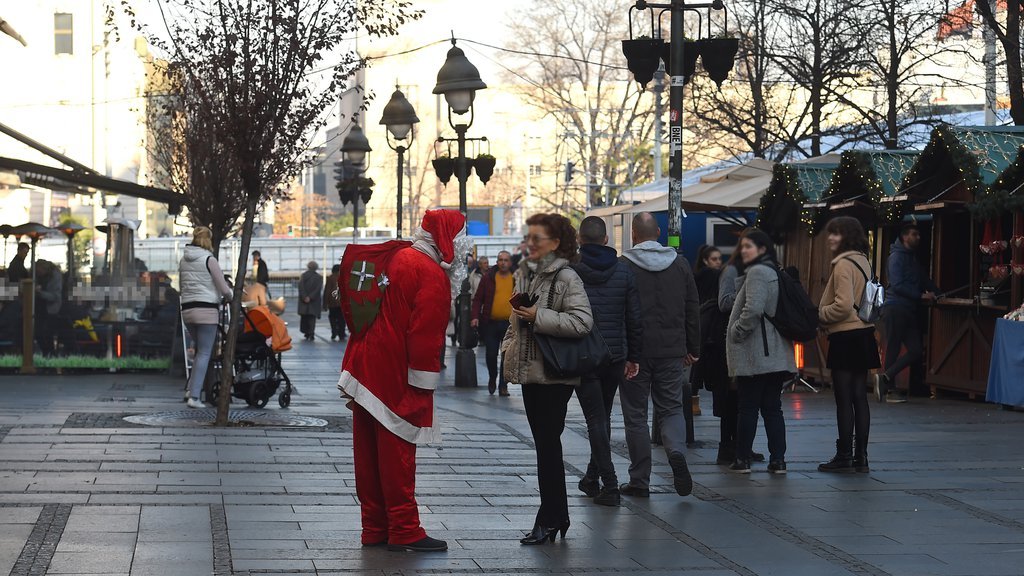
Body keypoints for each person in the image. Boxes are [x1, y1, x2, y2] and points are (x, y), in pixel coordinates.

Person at [337, 208, 469, 552]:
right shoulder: (430, 272)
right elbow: (424, 335)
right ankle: (405, 528)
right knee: (397, 452)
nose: (464, 246)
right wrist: (423, 386)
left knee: (367, 451)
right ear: (445, 239)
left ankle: (374, 527)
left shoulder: (398, 257)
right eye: (460, 237)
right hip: (393, 372)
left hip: (364, 363)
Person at [501, 213, 593, 544]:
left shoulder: (567, 276)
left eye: (536, 239)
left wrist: (540, 316)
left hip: (554, 372)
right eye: (529, 238)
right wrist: (509, 346)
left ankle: (550, 517)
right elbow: (516, 321)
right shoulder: (528, 273)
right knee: (545, 446)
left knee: (548, 446)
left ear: (555, 243)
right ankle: (557, 515)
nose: (530, 243)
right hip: (530, 372)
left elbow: (583, 322)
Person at [618, 212, 699, 498]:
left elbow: (619, 311)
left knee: (636, 415)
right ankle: (675, 449)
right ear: (660, 232)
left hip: (635, 353)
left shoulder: (624, 265)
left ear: (633, 234)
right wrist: (693, 348)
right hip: (671, 349)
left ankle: (639, 480)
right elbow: (692, 307)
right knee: (671, 408)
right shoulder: (680, 264)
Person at [571, 216, 642, 507]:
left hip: (583, 354)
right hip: (614, 356)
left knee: (595, 418)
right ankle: (591, 477)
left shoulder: (572, 271)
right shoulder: (624, 272)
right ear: (606, 240)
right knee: (602, 417)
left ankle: (609, 484)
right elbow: (634, 319)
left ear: (579, 239)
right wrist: (633, 356)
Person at [725, 228, 796, 474]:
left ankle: (742, 458)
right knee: (772, 408)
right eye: (742, 246)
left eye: (749, 246)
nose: (743, 251)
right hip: (774, 352)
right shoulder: (774, 270)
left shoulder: (757, 272)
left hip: (757, 353)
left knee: (748, 407)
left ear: (762, 249)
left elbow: (753, 310)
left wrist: (737, 331)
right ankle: (778, 460)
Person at [817, 217, 879, 473]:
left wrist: (820, 314)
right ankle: (861, 457)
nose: (830, 238)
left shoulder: (843, 264)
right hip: (864, 335)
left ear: (848, 236)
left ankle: (844, 455)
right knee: (859, 398)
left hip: (845, 337)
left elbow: (842, 305)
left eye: (836, 234)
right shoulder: (864, 260)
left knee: (844, 399)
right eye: (830, 233)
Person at [877, 223, 939, 403]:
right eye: (914, 234)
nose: (918, 237)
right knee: (894, 347)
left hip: (909, 308)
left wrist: (939, 293)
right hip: (895, 307)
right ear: (905, 237)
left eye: (918, 234)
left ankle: (886, 377)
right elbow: (897, 285)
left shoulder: (912, 258)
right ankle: (890, 391)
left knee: (916, 350)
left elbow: (924, 279)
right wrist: (920, 295)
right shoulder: (896, 257)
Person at [178, 226, 232, 409]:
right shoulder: (210, 260)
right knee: (204, 353)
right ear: (208, 240)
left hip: (187, 310)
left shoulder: (183, 261)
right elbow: (224, 288)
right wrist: (232, 295)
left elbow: (182, 286)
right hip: (206, 310)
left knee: (200, 351)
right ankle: (194, 397)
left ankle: (190, 389)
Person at [470, 251, 514, 395]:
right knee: (490, 354)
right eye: (500, 260)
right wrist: (475, 316)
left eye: (506, 260)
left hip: (510, 325)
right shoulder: (488, 277)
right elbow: (477, 299)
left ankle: (503, 385)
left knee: (507, 356)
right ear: (497, 261)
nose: (503, 263)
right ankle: (492, 378)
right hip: (490, 323)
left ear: (510, 262)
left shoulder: (516, 278)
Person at [689, 244, 723, 416]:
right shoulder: (715, 275)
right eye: (714, 259)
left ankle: (693, 399)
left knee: (697, 362)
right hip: (711, 320)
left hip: (698, 319)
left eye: (719, 259)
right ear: (705, 260)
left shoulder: (696, 276)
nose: (718, 262)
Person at [33, 259, 63, 355]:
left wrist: (40, 293)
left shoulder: (55, 277)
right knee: (38, 333)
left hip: (50, 310)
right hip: (40, 309)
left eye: (39, 270)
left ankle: (50, 354)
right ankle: (48, 353)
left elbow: (55, 296)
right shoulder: (38, 276)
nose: (38, 273)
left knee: (47, 334)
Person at [298, 261, 323, 341]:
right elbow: (318, 289)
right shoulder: (319, 277)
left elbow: (301, 287)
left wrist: (305, 297)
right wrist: (311, 297)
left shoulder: (303, 276)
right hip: (314, 301)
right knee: (312, 318)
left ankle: (306, 332)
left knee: (304, 317)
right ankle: (311, 333)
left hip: (303, 301)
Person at [324, 264, 346, 341]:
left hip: (332, 303)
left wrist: (325, 303)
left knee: (332, 318)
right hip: (342, 303)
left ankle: (334, 332)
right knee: (342, 319)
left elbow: (327, 291)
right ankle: (341, 334)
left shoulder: (330, 278)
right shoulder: (344, 277)